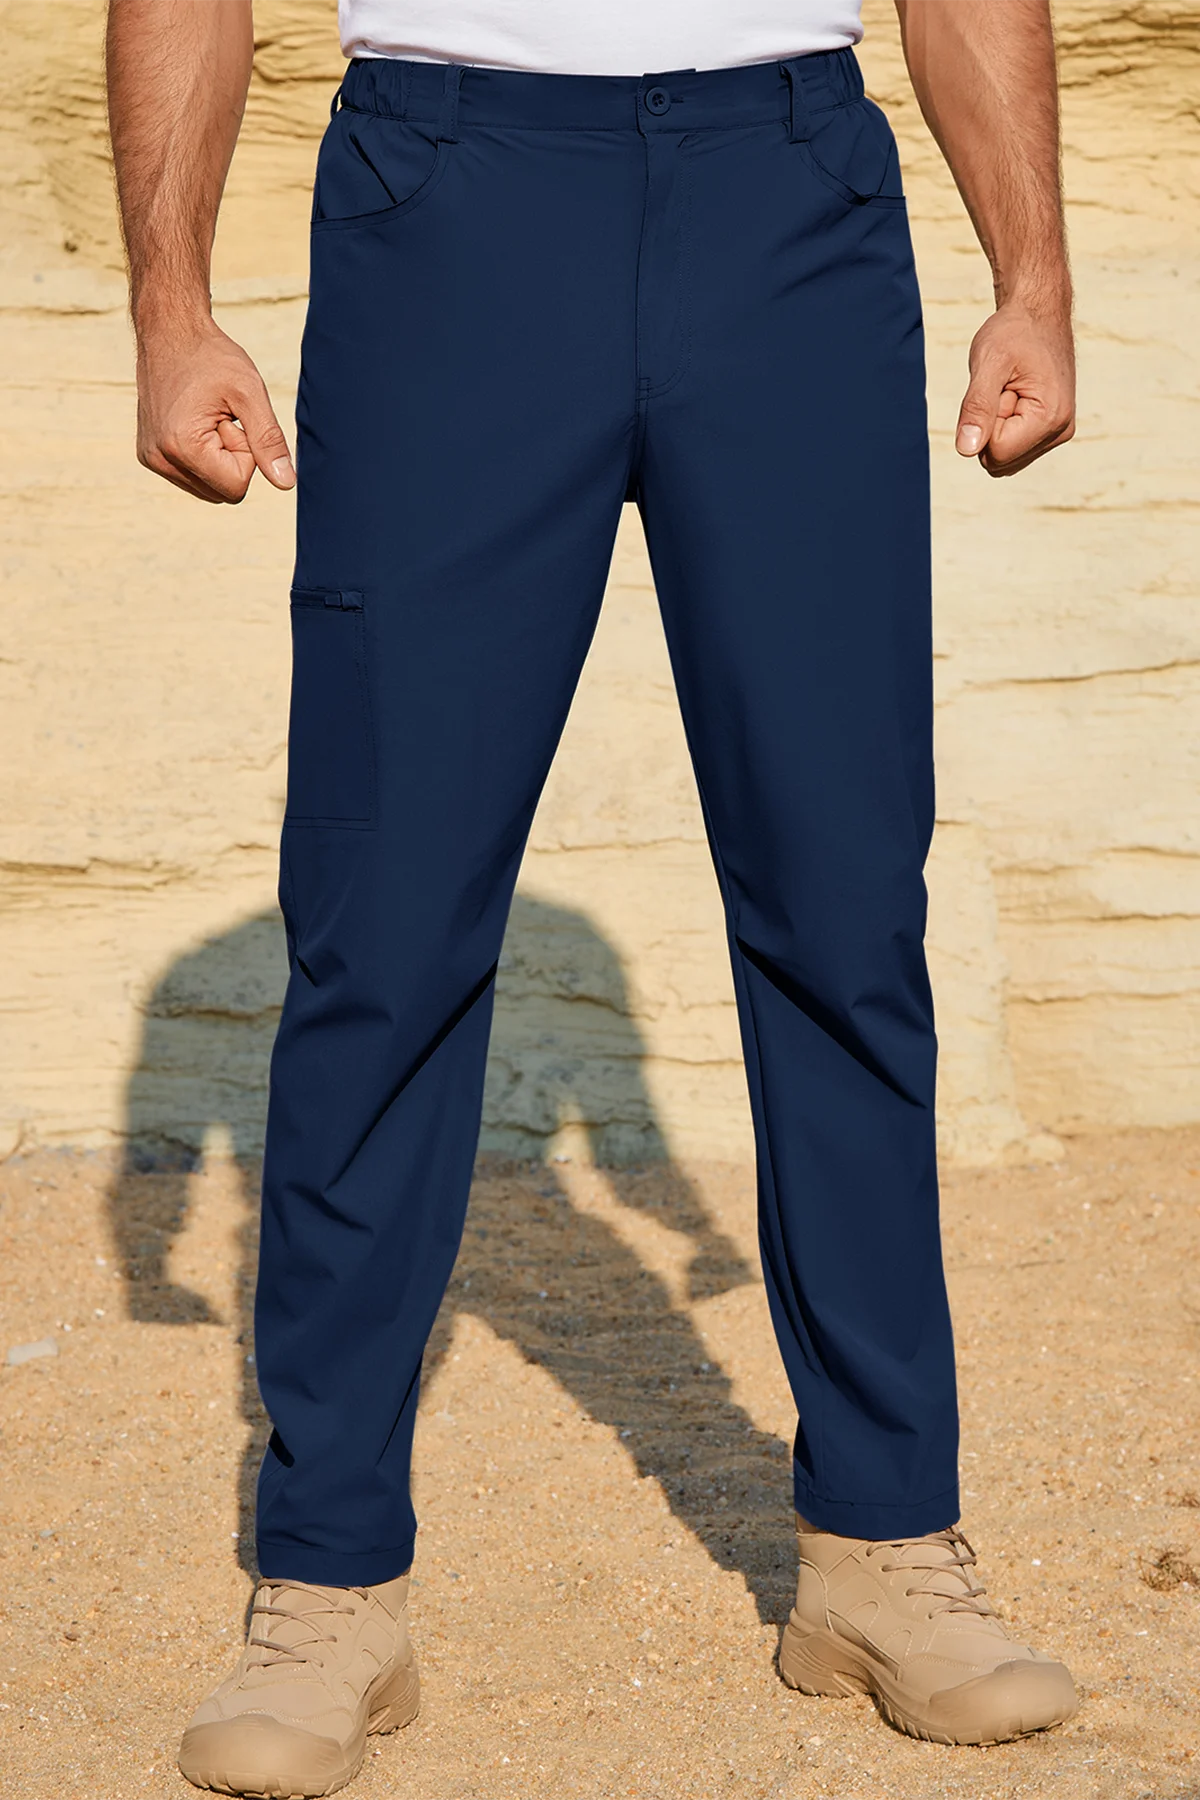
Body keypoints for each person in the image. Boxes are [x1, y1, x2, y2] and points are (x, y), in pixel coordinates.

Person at [106, 0, 1079, 1790]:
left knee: (844, 909)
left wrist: (1035, 277)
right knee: (385, 926)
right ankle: (329, 1582)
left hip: (793, 193)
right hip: (449, 195)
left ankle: (883, 1547)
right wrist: (171, 310)